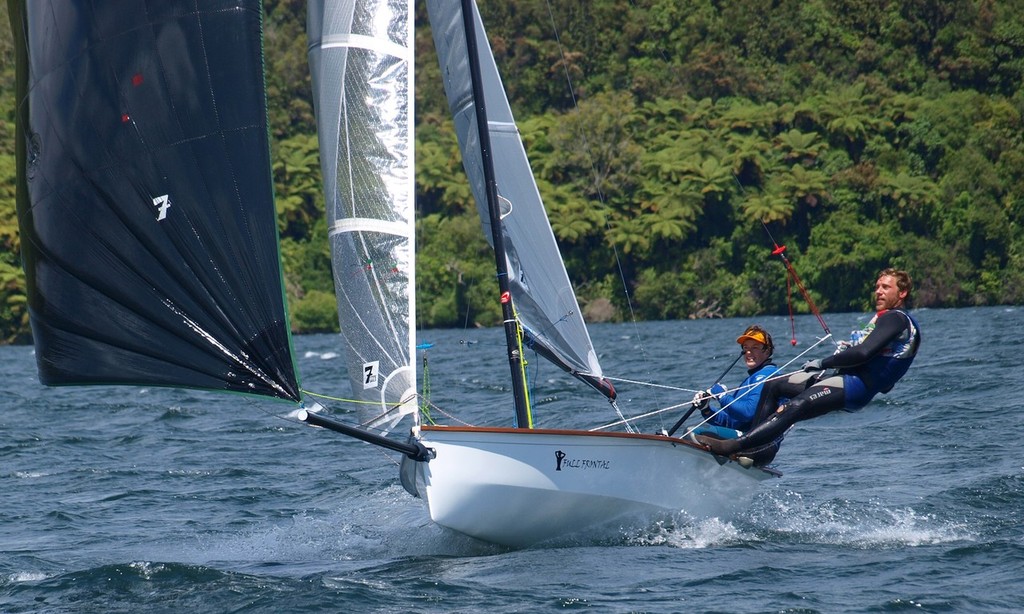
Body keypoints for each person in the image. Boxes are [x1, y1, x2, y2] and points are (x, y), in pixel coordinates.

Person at [696, 268, 921, 460]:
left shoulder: (896, 318)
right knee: (774, 385)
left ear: (902, 293)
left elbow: (863, 353)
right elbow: (885, 378)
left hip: (854, 386)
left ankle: (740, 446)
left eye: (886, 287)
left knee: (796, 406)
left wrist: (823, 362)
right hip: (845, 379)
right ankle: (758, 445)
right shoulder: (890, 322)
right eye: (877, 286)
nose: (879, 291)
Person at [689, 325, 786, 465]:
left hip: (758, 445)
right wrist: (707, 409)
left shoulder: (766, 375)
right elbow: (732, 423)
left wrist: (722, 396)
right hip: (746, 440)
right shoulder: (752, 378)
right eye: (746, 348)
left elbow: (747, 412)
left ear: (767, 351)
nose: (748, 352)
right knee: (697, 433)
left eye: (755, 347)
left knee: (694, 432)